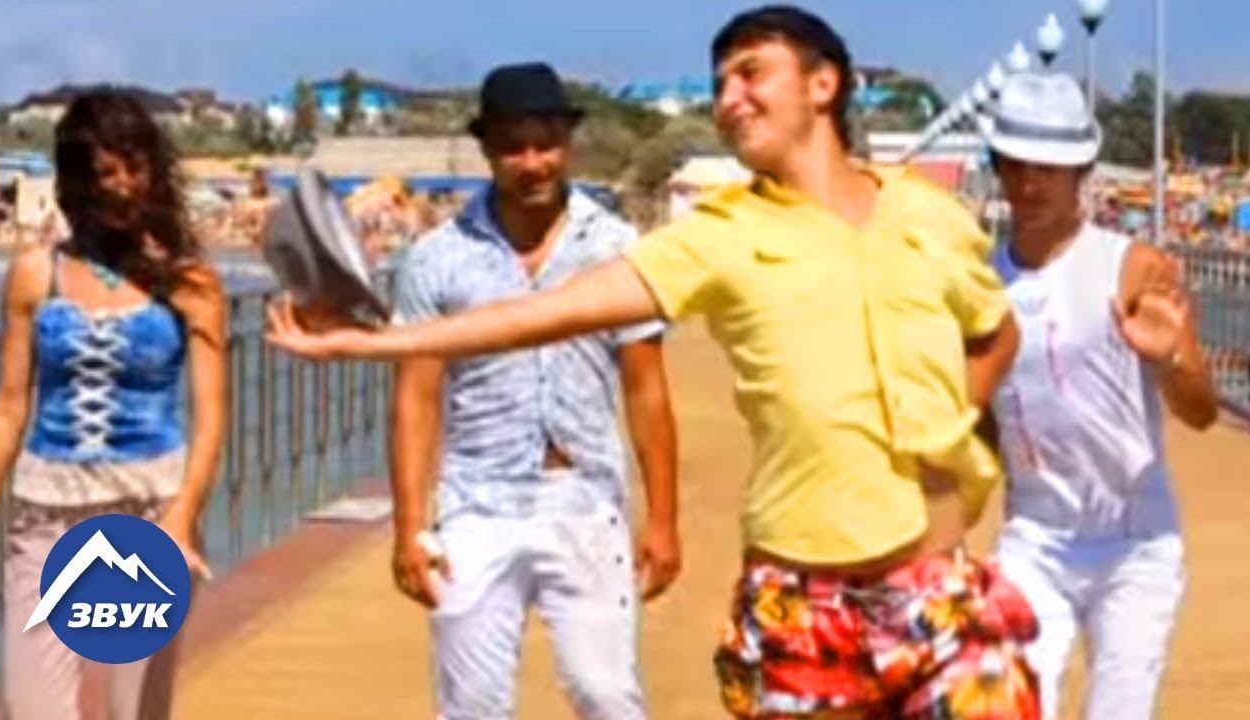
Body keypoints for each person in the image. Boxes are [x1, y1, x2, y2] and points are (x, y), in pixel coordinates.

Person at [267, 6, 1040, 718]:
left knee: (606, 691)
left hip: (940, 588)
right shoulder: (719, 234)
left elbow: (995, 333)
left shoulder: (929, 214)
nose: (729, 98)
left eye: (751, 73)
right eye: (719, 84)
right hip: (800, 597)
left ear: (823, 84)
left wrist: (944, 430)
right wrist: (368, 343)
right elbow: (543, 314)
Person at [386, 63, 678, 720]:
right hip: (476, 501)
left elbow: (647, 390)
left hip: (584, 495)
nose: (532, 163)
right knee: (472, 703)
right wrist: (409, 526)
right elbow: (416, 398)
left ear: (566, 143)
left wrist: (662, 519)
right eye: (513, 147)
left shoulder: (615, 247)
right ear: (487, 151)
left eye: (545, 144)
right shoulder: (439, 257)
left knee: (606, 694)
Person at [0, 88, 227, 720]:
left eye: (132, 167)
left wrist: (182, 517)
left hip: (149, 514)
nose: (120, 186)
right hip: (46, 514)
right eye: (102, 172)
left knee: (132, 711)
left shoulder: (191, 282)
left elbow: (212, 417)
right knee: (33, 707)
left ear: (154, 170)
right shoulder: (36, 273)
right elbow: (8, 407)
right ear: (76, 181)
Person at [982, 73, 1219, 719]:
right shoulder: (983, 284)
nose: (1028, 184)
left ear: (1079, 172)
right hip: (1034, 538)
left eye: (1047, 169)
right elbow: (982, 421)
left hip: (1134, 542)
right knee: (1010, 705)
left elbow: (1201, 412)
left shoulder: (1133, 266)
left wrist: (1167, 359)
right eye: (1014, 166)